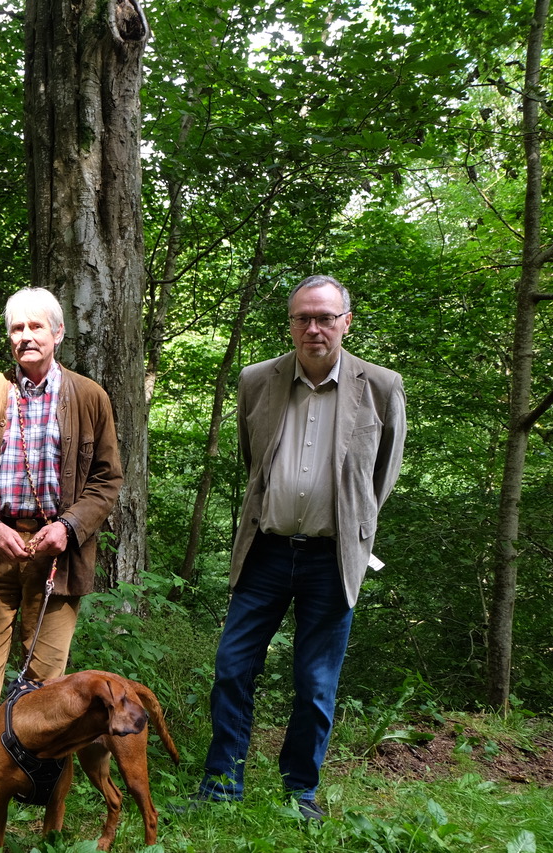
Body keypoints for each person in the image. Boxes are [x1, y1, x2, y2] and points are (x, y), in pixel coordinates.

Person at [189, 274, 406, 821]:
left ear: (345, 322)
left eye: (325, 318)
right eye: (303, 318)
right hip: (265, 550)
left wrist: (350, 523)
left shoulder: (380, 386)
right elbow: (253, 461)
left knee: (314, 683)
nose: (314, 328)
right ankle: (222, 786)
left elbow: (380, 479)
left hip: (332, 559)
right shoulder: (257, 380)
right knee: (232, 667)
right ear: (290, 323)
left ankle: (298, 793)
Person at [0, 286, 124, 809]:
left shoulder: (89, 398)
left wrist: (69, 527)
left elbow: (107, 479)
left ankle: (36, 784)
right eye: (16, 328)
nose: (25, 337)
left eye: (35, 327)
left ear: (57, 333)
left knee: (46, 680)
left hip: (58, 554)